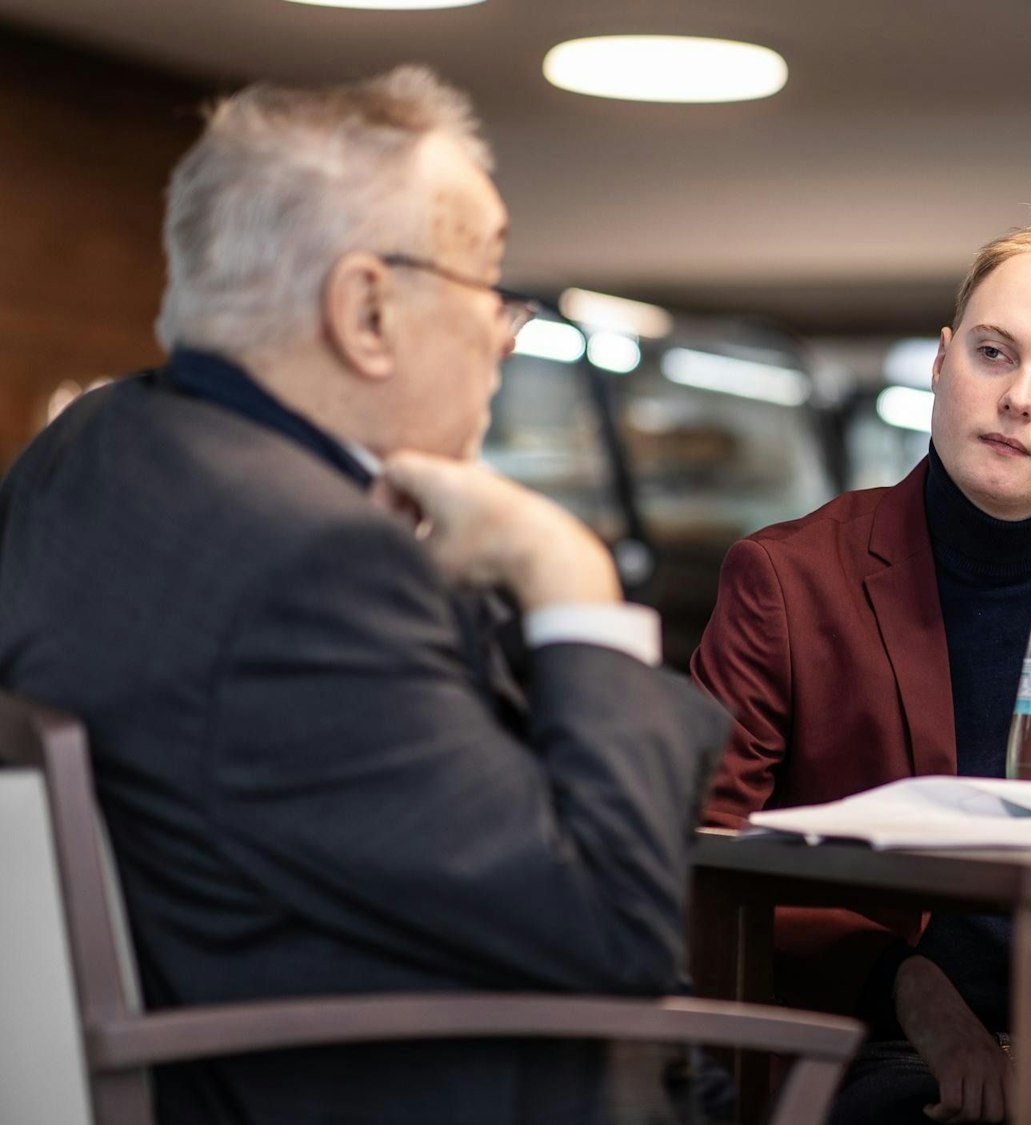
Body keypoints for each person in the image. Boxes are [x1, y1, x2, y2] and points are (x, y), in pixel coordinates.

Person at [0, 67, 729, 1125]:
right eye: (488, 283)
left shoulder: (83, 453)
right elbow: (613, 927)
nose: (504, 330)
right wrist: (570, 582)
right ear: (367, 308)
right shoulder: (310, 564)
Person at [694, 219, 1031, 1124]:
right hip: (853, 1037)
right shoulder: (788, 577)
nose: (1018, 397)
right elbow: (703, 856)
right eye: (994, 354)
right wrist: (908, 986)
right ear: (943, 362)